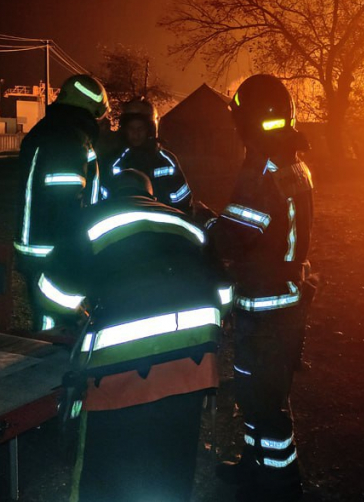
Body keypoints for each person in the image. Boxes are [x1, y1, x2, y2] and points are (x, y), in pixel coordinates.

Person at [35, 169, 228, 502]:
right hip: (195, 363)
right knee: (172, 457)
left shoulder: (90, 219)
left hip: (119, 366)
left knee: (107, 461)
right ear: (151, 196)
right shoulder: (187, 223)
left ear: (109, 195)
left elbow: (51, 291)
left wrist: (80, 313)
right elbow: (224, 293)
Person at [211, 74, 316, 502]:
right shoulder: (295, 163)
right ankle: (256, 468)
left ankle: (279, 485)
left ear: (248, 121)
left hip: (265, 306)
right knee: (259, 395)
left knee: (264, 400)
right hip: (285, 301)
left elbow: (232, 237)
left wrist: (204, 226)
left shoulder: (261, 171)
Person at [14, 74, 109, 331]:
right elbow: (66, 201)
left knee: (46, 310)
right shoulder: (69, 140)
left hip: (37, 243)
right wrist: (78, 246)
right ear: (92, 109)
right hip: (54, 247)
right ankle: (49, 362)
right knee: (55, 317)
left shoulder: (47, 130)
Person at [109, 98, 194, 213]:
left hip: (161, 226)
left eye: (141, 128)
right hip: (125, 226)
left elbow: (183, 204)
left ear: (150, 129)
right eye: (131, 128)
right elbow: (105, 200)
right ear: (124, 130)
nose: (136, 133)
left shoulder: (167, 161)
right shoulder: (115, 161)